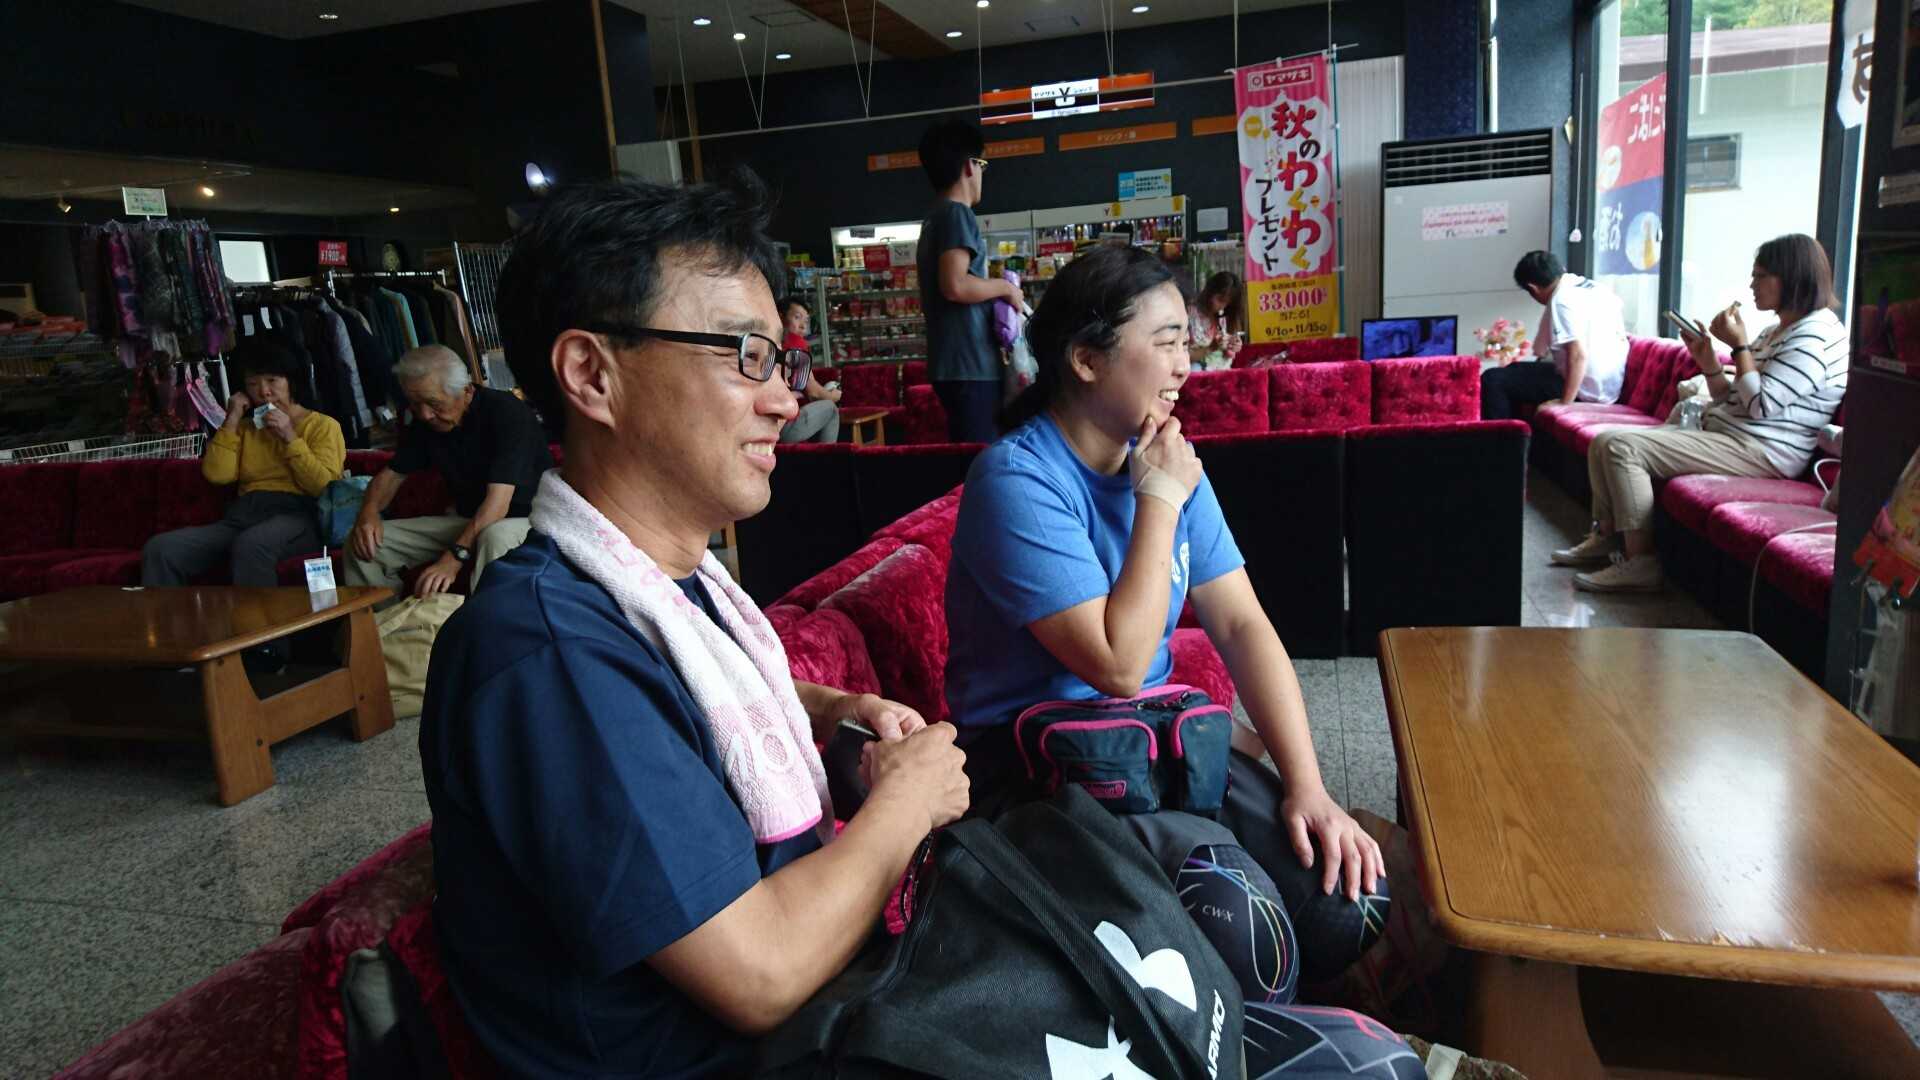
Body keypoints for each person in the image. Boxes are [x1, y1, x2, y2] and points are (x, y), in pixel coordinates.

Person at [419, 172, 970, 1078]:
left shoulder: (671, 590)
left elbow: (672, 708)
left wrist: (823, 711)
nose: (784, 400)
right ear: (592, 374)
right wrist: (907, 804)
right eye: (745, 355)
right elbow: (761, 971)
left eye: (778, 362)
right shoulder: (542, 648)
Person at [943, 245, 1386, 977]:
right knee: (1251, 937)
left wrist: (1309, 789)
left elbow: (1241, 625)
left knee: (1349, 905)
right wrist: (1157, 498)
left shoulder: (1164, 462)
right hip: (1036, 772)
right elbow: (1117, 665)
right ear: (1086, 360)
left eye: (1187, 342)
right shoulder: (1016, 479)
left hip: (1150, 739)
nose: (1186, 365)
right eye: (1168, 342)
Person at [1557, 234, 1848, 592]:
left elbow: (1761, 406)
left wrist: (1739, 346)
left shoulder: (1815, 337)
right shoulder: (1777, 331)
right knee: (1603, 442)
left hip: (1763, 451)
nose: (1752, 285)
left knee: (1622, 448)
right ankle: (1606, 536)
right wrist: (1709, 362)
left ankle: (1640, 562)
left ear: (1791, 278)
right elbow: (1730, 399)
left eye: (1760, 276)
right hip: (1732, 434)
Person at [343, 345, 552, 604]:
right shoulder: (425, 423)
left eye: (434, 403)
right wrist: (368, 513)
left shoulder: (506, 413)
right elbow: (391, 475)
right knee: (364, 545)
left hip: (528, 522)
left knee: (494, 535)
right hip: (471, 521)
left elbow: (497, 505)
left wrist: (454, 558)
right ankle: (387, 626)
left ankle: (483, 628)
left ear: (466, 390)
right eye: (414, 404)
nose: (425, 414)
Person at [142, 335, 345, 592]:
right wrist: (232, 418)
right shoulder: (245, 428)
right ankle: (168, 619)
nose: (264, 391)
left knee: (252, 544)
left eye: (272, 381)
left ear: (291, 381)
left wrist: (290, 438)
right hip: (243, 516)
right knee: (161, 549)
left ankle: (262, 620)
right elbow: (217, 474)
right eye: (253, 383)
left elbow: (323, 487)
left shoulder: (323, 426)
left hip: (299, 516)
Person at [916, 119, 1024, 443]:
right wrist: (1006, 288)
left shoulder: (935, 216)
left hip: (951, 361)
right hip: (970, 363)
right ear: (968, 166)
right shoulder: (957, 213)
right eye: (982, 165)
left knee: (968, 450)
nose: (981, 174)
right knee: (980, 455)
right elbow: (956, 285)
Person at [1480, 250, 1628, 420]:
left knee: (1493, 379)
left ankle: (1502, 436)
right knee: (1514, 370)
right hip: (1607, 385)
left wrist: (1565, 403)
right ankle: (1519, 432)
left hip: (1588, 390)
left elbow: (1578, 355)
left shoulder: (1561, 300)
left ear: (1533, 288)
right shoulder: (1590, 286)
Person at [778, 295, 841, 444]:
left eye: (805, 321)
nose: (803, 326)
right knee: (831, 408)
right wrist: (833, 396)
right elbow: (813, 391)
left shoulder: (771, 342)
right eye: (797, 317)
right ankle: (828, 457)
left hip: (768, 422)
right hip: (784, 425)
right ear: (780, 317)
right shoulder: (795, 343)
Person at [1187, 270, 1246, 371]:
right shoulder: (1190, 313)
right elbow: (1184, 356)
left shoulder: (1223, 316)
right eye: (1220, 300)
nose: (1222, 306)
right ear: (1210, 291)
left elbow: (1228, 353)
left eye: (1227, 304)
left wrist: (1234, 345)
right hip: (1198, 373)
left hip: (1223, 371)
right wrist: (1211, 347)